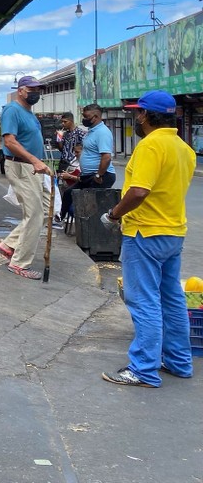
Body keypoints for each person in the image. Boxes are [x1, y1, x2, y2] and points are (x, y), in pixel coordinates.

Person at [100, 90, 195, 387]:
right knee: (172, 299)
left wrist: (114, 214)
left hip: (145, 232)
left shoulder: (150, 146)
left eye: (138, 113)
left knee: (144, 301)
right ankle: (179, 362)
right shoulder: (184, 148)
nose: (136, 118)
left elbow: (139, 191)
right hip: (173, 232)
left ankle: (142, 369)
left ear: (146, 116)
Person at [0, 76, 53, 280]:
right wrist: (34, 161)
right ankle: (19, 263)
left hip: (33, 168)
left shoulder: (29, 112)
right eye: (32, 89)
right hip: (22, 167)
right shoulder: (13, 110)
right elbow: (10, 142)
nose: (36, 93)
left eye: (39, 89)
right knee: (35, 214)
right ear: (20, 90)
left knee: (46, 210)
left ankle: (9, 244)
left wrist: (39, 163)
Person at [77, 103, 116, 189]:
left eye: (86, 116)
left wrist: (99, 175)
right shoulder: (91, 131)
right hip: (88, 175)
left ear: (96, 117)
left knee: (87, 200)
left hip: (100, 176)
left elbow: (106, 157)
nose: (84, 119)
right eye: (83, 116)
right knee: (69, 195)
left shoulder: (102, 132)